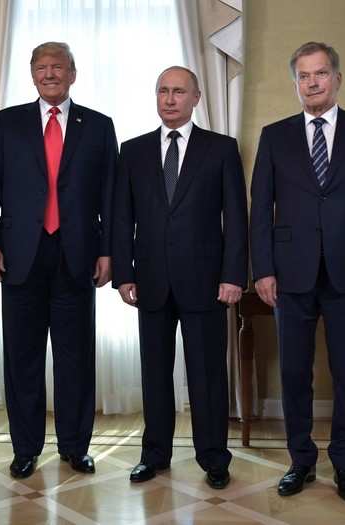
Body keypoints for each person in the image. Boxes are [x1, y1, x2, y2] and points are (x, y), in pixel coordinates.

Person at [250, 42, 345, 501]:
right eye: (303, 76)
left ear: (337, 77)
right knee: (295, 373)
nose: (312, 82)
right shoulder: (274, 135)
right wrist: (263, 270)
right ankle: (300, 461)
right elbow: (260, 210)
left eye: (320, 74)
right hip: (288, 274)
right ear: (295, 83)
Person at [0, 42, 117, 479]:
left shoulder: (98, 125)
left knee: (76, 357)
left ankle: (75, 447)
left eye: (58, 67)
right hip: (20, 255)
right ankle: (25, 448)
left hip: (77, 254)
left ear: (73, 73)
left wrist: (109, 250)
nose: (50, 74)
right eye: (41, 67)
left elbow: (110, 197)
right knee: (23, 357)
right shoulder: (7, 123)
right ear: (31, 74)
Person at [112, 66, 247, 490]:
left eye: (178, 91)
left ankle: (214, 458)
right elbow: (122, 218)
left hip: (207, 281)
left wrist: (233, 275)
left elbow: (236, 220)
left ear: (196, 98)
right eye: (162, 91)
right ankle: (154, 455)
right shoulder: (132, 151)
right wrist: (123, 273)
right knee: (154, 373)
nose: (169, 99)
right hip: (150, 280)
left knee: (207, 373)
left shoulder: (222, 149)